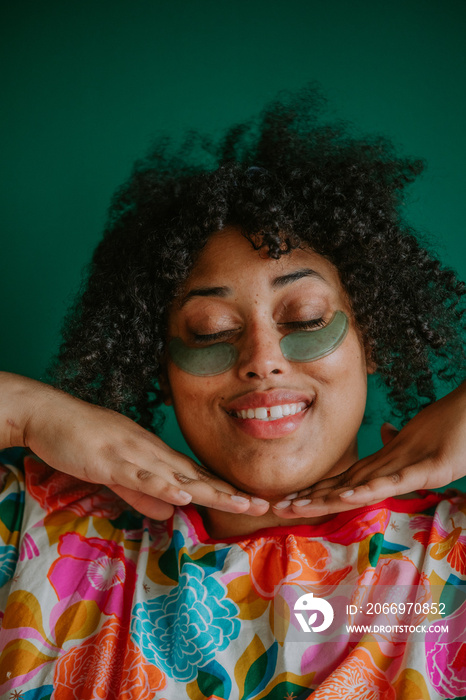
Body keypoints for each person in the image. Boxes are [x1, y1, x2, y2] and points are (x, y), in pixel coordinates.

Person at [1, 87, 465, 698]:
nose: (262, 362)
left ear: (370, 339)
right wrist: (29, 414)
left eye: (302, 317)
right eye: (210, 331)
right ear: (160, 365)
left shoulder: (451, 555)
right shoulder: (39, 533)